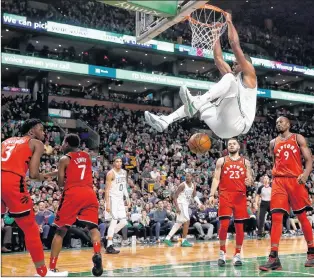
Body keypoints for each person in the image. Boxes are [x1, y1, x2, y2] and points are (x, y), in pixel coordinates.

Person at [144, 13, 257, 139]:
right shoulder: (232, 75)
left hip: (238, 123)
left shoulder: (249, 75)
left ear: (246, 64)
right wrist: (215, 34)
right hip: (220, 127)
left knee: (228, 79)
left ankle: (195, 105)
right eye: (234, 63)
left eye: (237, 63)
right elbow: (218, 59)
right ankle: (166, 121)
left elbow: (235, 45)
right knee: (199, 99)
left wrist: (229, 22)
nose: (234, 64)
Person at [1, 118, 64, 277]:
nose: (44, 132)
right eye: (41, 129)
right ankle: (42, 273)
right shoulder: (37, 143)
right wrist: (54, 174)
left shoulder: (7, 140)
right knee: (31, 229)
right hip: (12, 183)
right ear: (31, 131)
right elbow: (35, 174)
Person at [259, 116, 314, 271]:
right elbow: (274, 162)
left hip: (296, 180)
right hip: (279, 181)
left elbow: (309, 160)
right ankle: (273, 258)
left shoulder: (298, 138)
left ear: (288, 124)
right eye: (276, 122)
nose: (278, 124)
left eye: (281, 121)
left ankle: (311, 253)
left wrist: (305, 174)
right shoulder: (273, 143)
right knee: (276, 217)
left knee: (302, 217)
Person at [49, 134, 103, 277]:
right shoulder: (86, 156)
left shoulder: (64, 159)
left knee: (60, 231)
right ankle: (97, 253)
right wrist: (46, 175)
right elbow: (76, 170)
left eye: (62, 143)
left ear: (66, 143)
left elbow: (61, 182)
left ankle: (52, 268)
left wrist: (57, 175)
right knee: (93, 227)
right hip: (89, 193)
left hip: (73, 194)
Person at [209, 138, 253, 266]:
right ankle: (222, 253)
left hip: (240, 197)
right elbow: (216, 178)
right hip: (225, 195)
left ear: (239, 146)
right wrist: (212, 194)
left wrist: (249, 181)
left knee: (240, 227)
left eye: (234, 144)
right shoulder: (221, 161)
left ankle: (237, 254)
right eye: (229, 144)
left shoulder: (246, 162)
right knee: (224, 225)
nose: (231, 145)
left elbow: (249, 179)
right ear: (227, 147)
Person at [164, 172, 205, 247]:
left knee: (179, 223)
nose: (187, 177)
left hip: (185, 205)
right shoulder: (182, 185)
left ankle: (167, 238)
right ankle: (184, 241)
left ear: (192, 177)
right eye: (186, 176)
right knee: (187, 221)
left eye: (189, 176)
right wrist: (177, 207)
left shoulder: (193, 185)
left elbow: (195, 196)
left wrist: (200, 204)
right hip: (181, 204)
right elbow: (174, 196)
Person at [104, 157, 132, 254]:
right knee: (114, 221)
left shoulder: (124, 172)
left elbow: (124, 186)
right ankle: (109, 245)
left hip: (120, 199)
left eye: (120, 161)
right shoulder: (110, 173)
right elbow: (106, 190)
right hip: (112, 199)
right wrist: (107, 203)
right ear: (113, 163)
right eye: (117, 161)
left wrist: (127, 198)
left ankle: (108, 238)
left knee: (124, 222)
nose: (119, 163)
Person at [254, 175, 272, 240]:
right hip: (263, 203)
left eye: (267, 178)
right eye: (264, 178)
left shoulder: (272, 187)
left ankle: (272, 231)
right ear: (263, 180)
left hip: (270, 203)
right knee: (261, 218)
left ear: (269, 180)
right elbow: (257, 196)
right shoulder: (261, 187)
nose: (266, 179)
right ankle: (260, 233)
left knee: (273, 217)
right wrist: (256, 203)